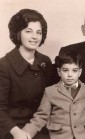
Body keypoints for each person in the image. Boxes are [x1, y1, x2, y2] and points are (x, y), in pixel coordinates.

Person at [0, 9, 52, 139]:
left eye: (38, 32)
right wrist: (16, 132)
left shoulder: (45, 61)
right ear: (18, 33)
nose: (35, 37)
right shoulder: (4, 65)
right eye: (28, 31)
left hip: (41, 125)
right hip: (13, 128)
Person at [22, 50, 85, 139]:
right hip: (60, 136)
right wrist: (26, 132)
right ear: (59, 71)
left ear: (79, 72)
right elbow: (41, 116)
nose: (70, 75)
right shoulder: (50, 91)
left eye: (74, 70)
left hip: (83, 135)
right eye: (65, 70)